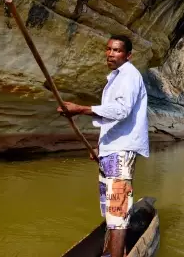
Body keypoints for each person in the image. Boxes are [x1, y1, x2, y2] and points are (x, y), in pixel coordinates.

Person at [57, 35, 149, 257]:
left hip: (121, 154)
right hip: (110, 151)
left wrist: (81, 109)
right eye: (108, 49)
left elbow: (121, 111)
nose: (110, 54)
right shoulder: (115, 79)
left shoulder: (129, 76)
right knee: (110, 209)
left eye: (117, 50)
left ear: (128, 55)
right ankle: (112, 250)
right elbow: (113, 123)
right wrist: (102, 149)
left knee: (117, 213)